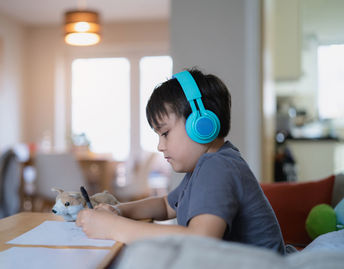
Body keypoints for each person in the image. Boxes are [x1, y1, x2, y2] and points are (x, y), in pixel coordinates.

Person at [76, 68, 286, 254]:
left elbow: (200, 241)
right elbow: (166, 205)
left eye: (165, 133)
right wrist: (119, 210)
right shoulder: (205, 165)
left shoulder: (218, 167)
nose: (160, 145)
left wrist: (113, 227)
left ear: (201, 125)